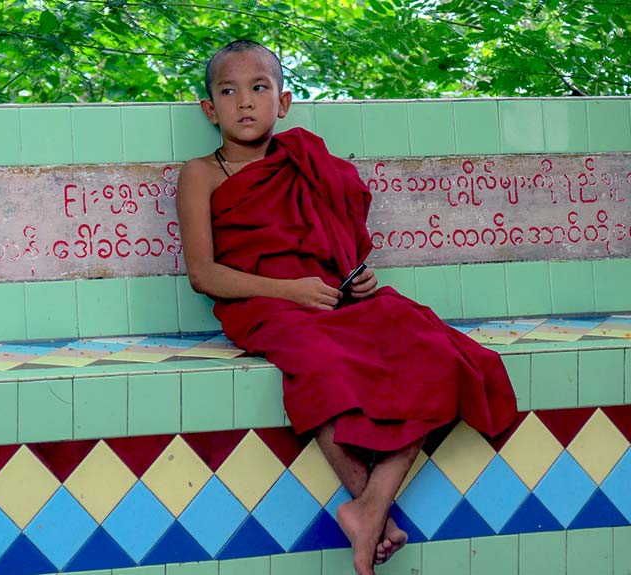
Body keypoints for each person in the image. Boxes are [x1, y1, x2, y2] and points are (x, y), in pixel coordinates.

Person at [177, 39, 517, 575]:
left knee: (431, 347)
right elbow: (204, 274)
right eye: (228, 91)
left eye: (259, 88)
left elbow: (341, 246)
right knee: (322, 363)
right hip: (266, 307)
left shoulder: (306, 162)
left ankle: (369, 508)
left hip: (330, 298)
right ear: (208, 108)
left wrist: (358, 277)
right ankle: (371, 508)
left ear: (282, 103)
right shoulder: (203, 173)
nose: (245, 102)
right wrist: (292, 292)